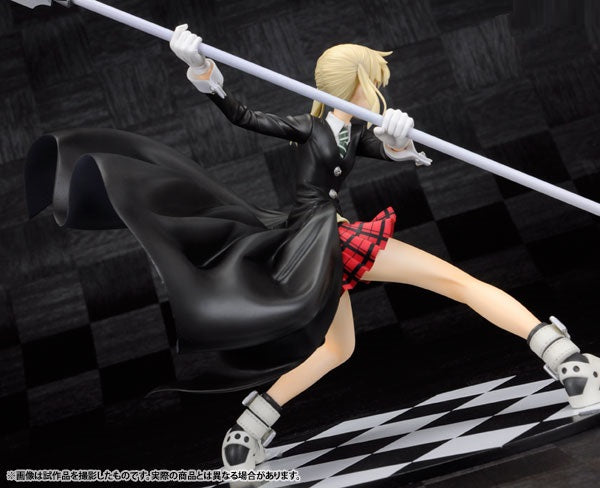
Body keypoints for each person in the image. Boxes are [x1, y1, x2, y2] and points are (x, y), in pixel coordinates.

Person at [168, 25, 600, 470]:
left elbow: (387, 150)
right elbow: (243, 116)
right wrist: (202, 70)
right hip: (326, 237)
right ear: (358, 82)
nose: (377, 89)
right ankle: (570, 363)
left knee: (337, 349)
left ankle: (245, 434)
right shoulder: (309, 128)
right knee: (460, 284)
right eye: (374, 80)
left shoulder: (352, 133)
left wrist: (397, 141)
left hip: (319, 246)